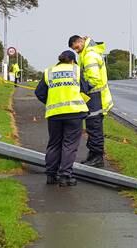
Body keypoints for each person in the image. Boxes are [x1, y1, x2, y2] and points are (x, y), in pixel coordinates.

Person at [34, 50, 91, 187]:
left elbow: (39, 92)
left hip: (54, 113)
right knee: (69, 145)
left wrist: (50, 102)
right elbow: (85, 89)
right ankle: (65, 176)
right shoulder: (76, 70)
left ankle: (51, 175)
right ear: (72, 60)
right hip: (74, 113)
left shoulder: (49, 72)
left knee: (54, 144)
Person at [69, 35, 114, 168]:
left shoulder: (89, 56)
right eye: (74, 50)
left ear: (81, 41)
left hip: (95, 98)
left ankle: (97, 158)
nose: (76, 51)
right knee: (92, 127)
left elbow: (93, 80)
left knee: (94, 128)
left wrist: (80, 89)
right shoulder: (87, 53)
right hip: (95, 97)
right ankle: (93, 155)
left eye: (76, 47)